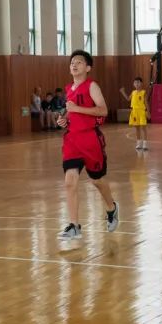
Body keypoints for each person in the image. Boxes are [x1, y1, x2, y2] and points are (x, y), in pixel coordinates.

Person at [56, 51, 119, 243]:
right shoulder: (69, 89)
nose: (74, 65)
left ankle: (111, 208)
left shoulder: (92, 86)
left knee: (97, 181)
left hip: (91, 141)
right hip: (72, 141)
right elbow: (72, 114)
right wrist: (64, 120)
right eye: (72, 62)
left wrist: (76, 109)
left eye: (79, 62)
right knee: (70, 181)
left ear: (88, 67)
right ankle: (74, 225)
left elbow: (103, 110)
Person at [119, 77, 149, 151]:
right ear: (133, 84)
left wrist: (148, 112)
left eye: (138, 82)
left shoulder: (144, 92)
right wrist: (123, 92)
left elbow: (146, 103)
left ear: (141, 83)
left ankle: (145, 144)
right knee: (137, 128)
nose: (137, 84)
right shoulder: (133, 92)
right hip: (134, 112)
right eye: (135, 82)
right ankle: (139, 143)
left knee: (143, 128)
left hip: (141, 111)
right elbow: (128, 99)